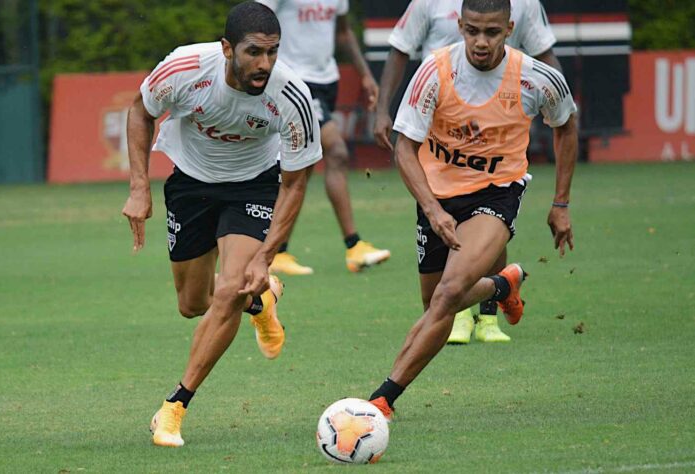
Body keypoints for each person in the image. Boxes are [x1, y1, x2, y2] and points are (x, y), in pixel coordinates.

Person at [121, 2, 322, 447]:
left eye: (272, 52)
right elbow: (140, 111)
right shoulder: (187, 68)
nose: (264, 64)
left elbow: (295, 183)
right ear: (227, 47)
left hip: (253, 187)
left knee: (230, 287)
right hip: (190, 183)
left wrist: (267, 254)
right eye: (253, 52)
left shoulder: (291, 96)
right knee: (193, 304)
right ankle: (261, 301)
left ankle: (174, 408)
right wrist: (139, 187)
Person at [367, 0, 577, 420]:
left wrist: (560, 203)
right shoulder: (434, 71)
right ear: (460, 25)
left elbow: (567, 126)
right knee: (437, 303)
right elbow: (405, 149)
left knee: (447, 296)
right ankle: (502, 286)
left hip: (496, 194)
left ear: (510, 29)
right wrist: (432, 208)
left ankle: (382, 398)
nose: (482, 42)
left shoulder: (536, 79)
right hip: (438, 197)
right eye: (474, 31)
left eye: (493, 32)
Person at [256, 0, 391, 275]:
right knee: (337, 151)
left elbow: (343, 32)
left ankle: (277, 251)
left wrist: (365, 75)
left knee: (301, 168)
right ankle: (354, 245)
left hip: (327, 81)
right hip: (295, 81)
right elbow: (255, 22)